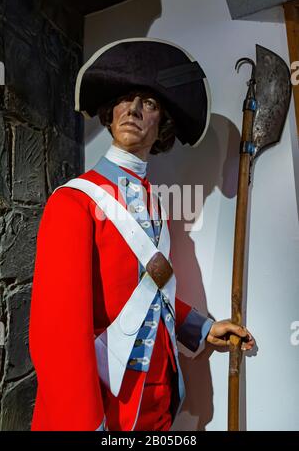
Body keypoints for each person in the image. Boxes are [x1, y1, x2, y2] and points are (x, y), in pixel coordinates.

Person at [29, 38, 254, 431]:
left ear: (162, 124)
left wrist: (201, 328)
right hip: (105, 406)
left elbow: (154, 287)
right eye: (125, 99)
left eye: (148, 103)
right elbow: (57, 337)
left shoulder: (152, 206)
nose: (133, 109)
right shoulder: (72, 202)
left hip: (159, 399)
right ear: (110, 112)